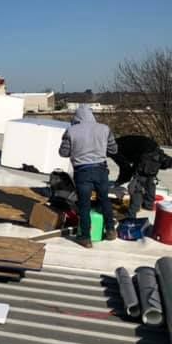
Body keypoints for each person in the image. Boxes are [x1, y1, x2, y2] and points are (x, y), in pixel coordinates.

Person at [58, 105, 117, 247]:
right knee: (104, 200)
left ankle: (85, 238)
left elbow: (63, 153)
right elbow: (113, 150)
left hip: (82, 172)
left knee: (84, 205)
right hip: (101, 170)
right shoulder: (104, 129)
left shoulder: (71, 131)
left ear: (76, 117)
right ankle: (110, 231)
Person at [111, 135, 172, 219]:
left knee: (137, 184)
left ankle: (131, 213)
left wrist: (120, 181)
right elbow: (132, 163)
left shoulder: (113, 150)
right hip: (154, 152)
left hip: (146, 155)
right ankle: (148, 204)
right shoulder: (119, 142)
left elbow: (125, 166)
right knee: (149, 179)